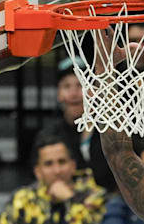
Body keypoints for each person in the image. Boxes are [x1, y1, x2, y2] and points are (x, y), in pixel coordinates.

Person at [45, 57, 117, 191]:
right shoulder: (49, 134)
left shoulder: (109, 128)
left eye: (80, 85)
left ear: (92, 92)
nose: (74, 94)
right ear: (59, 94)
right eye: (66, 86)